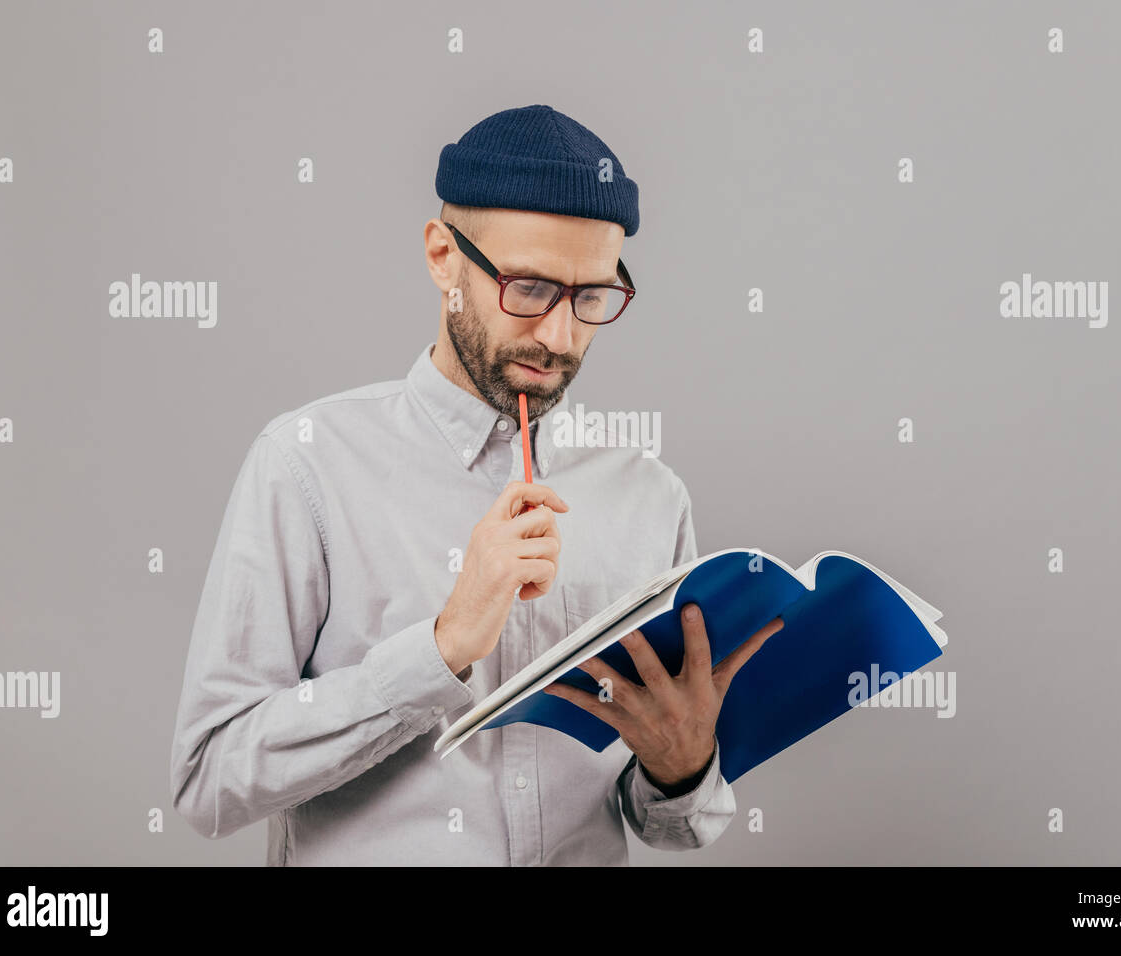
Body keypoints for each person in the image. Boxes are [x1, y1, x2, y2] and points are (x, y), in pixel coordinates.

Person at [169, 104, 783, 865]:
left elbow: (670, 826)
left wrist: (682, 765)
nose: (558, 338)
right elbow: (209, 781)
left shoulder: (649, 497)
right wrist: (442, 647)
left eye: (591, 297)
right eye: (528, 288)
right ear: (441, 256)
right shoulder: (306, 464)